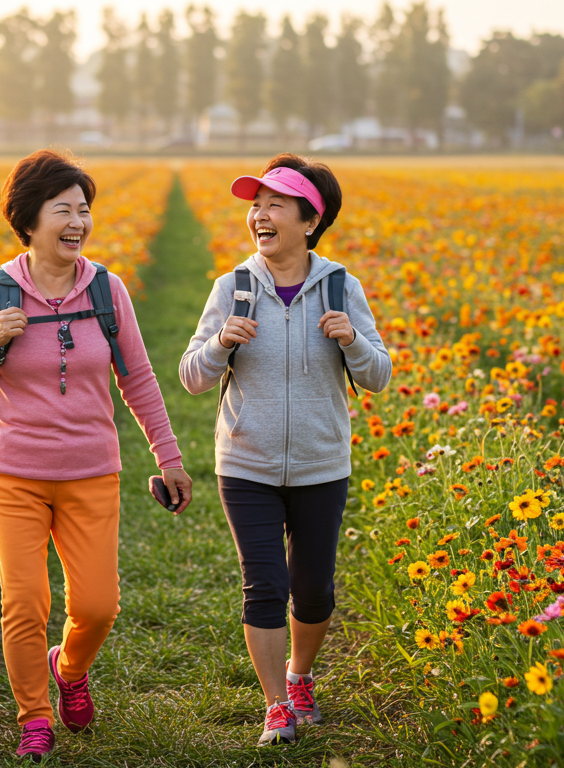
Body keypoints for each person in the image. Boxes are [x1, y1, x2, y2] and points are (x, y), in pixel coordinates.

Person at [0, 149, 193, 762]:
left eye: (85, 209)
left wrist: (169, 456)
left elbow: (138, 380)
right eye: (64, 210)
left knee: (98, 606)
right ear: (28, 219)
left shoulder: (107, 289)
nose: (78, 221)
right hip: (11, 472)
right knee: (24, 602)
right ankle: (34, 716)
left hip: (90, 469)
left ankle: (70, 667)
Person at [179, 154, 391, 746]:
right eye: (256, 205)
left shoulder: (343, 288)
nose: (259, 216)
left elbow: (379, 376)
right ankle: (277, 706)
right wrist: (221, 342)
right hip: (246, 460)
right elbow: (192, 375)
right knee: (265, 582)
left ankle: (300, 674)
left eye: (275, 205)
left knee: (315, 587)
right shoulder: (233, 287)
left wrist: (353, 343)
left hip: (322, 462)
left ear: (308, 221)